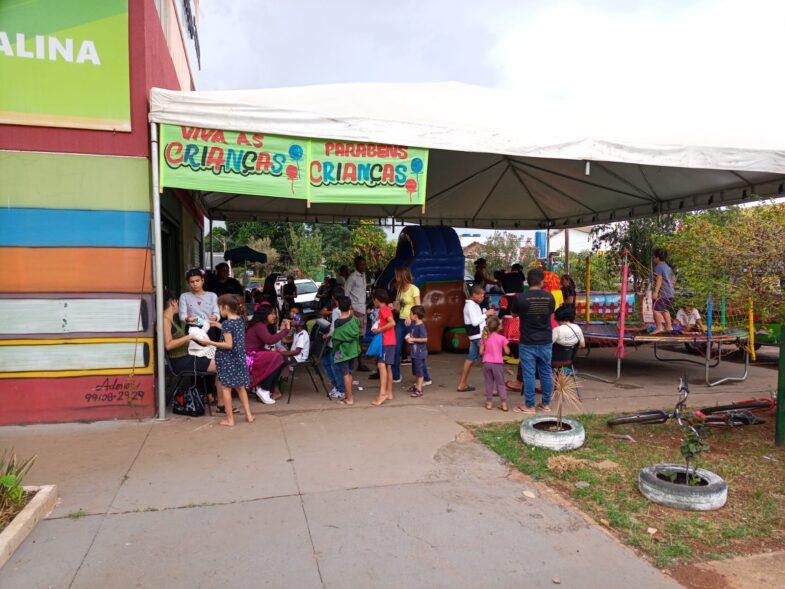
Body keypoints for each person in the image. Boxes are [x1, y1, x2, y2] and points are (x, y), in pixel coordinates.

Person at [203, 294, 253, 427]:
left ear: (225, 307)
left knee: (226, 389)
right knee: (241, 388)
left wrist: (209, 342)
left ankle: (230, 419)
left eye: (220, 308)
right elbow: (231, 332)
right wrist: (217, 324)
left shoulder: (227, 323)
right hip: (239, 359)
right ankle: (249, 415)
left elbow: (228, 344)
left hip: (228, 360)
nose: (219, 310)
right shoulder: (239, 320)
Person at [513, 268, 556, 414]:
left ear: (528, 281)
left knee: (529, 374)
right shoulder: (549, 297)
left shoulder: (520, 298)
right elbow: (550, 313)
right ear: (541, 281)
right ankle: (545, 404)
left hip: (527, 341)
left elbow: (514, 313)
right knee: (545, 372)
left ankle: (530, 406)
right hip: (545, 340)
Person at [392, 267, 431, 385]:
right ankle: (396, 375)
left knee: (416, 350)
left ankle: (426, 378)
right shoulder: (399, 290)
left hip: (412, 322)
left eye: (397, 277)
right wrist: (393, 307)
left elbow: (419, 308)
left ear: (402, 277)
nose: (396, 279)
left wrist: (410, 316)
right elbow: (398, 308)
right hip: (401, 321)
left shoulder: (414, 289)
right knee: (396, 348)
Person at [246, 305, 290, 404]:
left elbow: (270, 339)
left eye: (275, 313)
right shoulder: (259, 325)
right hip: (250, 356)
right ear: (264, 314)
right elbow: (269, 340)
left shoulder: (260, 324)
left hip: (254, 353)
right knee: (278, 357)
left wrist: (281, 330)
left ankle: (263, 387)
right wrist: (285, 331)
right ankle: (264, 389)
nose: (275, 316)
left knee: (282, 358)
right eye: (272, 313)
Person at [457, 285, 496, 392]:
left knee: (470, 359)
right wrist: (486, 314)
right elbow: (474, 322)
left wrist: (484, 313)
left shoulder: (473, 304)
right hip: (479, 337)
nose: (483, 298)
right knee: (489, 361)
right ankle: (492, 389)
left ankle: (462, 384)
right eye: (481, 295)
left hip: (476, 337)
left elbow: (475, 318)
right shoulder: (470, 306)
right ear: (474, 295)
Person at [331, 296, 361, 405]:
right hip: (353, 351)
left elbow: (336, 339)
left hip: (342, 352)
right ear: (350, 306)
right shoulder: (355, 320)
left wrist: (334, 351)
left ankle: (349, 399)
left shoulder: (338, 322)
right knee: (350, 373)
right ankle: (350, 396)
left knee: (345, 374)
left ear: (338, 306)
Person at [371, 289, 396, 406]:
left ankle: (382, 393)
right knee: (388, 366)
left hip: (386, 341)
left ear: (376, 300)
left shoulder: (383, 310)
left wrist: (379, 330)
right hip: (390, 341)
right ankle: (389, 392)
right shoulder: (386, 309)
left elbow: (392, 323)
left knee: (381, 365)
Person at [344, 256, 370, 371]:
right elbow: (346, 295)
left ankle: (359, 363)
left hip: (363, 310)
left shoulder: (363, 275)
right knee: (354, 338)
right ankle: (356, 363)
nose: (363, 266)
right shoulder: (352, 278)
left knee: (360, 337)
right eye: (361, 264)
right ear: (356, 265)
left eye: (364, 264)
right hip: (355, 312)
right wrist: (351, 310)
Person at [480, 316, 510, 412]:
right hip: (497, 363)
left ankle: (489, 403)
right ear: (498, 327)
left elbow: (481, 352)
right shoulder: (502, 338)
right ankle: (504, 404)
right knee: (500, 383)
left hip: (486, 363)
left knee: (489, 383)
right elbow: (507, 352)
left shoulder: (485, 338)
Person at [179, 269, 220, 336]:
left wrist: (215, 317)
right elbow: (182, 316)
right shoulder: (184, 296)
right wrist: (187, 318)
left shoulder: (212, 295)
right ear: (188, 283)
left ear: (202, 280)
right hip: (192, 329)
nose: (195, 284)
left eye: (197, 281)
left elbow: (217, 313)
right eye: (192, 282)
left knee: (210, 346)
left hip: (209, 328)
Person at [405, 305, 428, 398]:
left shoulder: (421, 326)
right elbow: (412, 335)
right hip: (415, 353)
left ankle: (419, 389)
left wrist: (413, 339)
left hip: (419, 353)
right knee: (416, 371)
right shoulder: (415, 325)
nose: (409, 315)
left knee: (420, 372)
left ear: (416, 315)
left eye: (411, 314)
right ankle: (416, 386)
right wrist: (408, 337)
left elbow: (425, 339)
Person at [651, 247, 676, 334]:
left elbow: (659, 279)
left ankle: (659, 327)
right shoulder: (668, 267)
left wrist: (656, 292)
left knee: (656, 310)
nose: (653, 259)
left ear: (657, 258)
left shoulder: (658, 267)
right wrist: (669, 286)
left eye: (653, 257)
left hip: (663, 293)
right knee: (665, 310)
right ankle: (669, 327)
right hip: (670, 292)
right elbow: (673, 279)